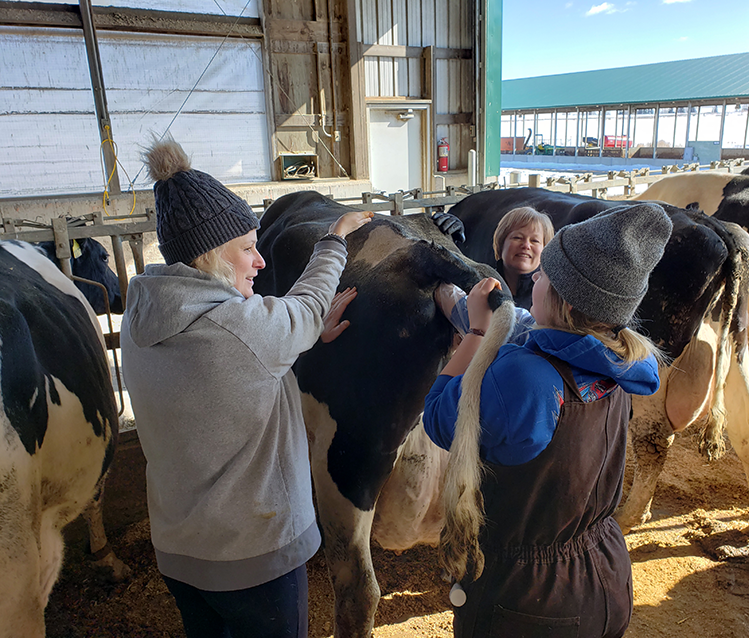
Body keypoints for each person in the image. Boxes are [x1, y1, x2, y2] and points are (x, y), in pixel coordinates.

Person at [120, 137, 373, 638]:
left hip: (179, 553)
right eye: (248, 249)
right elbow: (306, 304)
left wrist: (299, 340)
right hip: (255, 558)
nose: (259, 263)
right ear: (212, 256)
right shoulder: (238, 327)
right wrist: (335, 238)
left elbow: (233, 374)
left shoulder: (140, 316)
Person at [424, 202, 674, 638]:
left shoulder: (525, 379)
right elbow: (531, 329)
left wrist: (478, 334)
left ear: (561, 296)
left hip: (527, 601)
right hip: (605, 574)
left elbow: (441, 416)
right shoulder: (623, 359)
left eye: (544, 274)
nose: (534, 277)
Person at [491, 206, 554, 309]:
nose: (526, 245)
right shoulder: (482, 289)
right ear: (501, 244)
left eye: (534, 241)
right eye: (517, 238)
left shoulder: (554, 297)